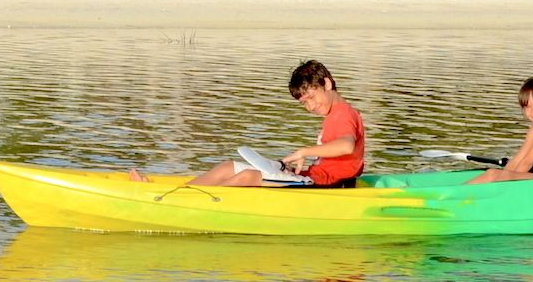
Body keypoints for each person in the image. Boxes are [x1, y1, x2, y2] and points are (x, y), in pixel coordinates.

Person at [139, 59, 366, 188]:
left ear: (326, 84)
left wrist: (304, 151)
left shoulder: (343, 113)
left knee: (248, 177)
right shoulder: (334, 114)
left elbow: (346, 146)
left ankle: (184, 202)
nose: (310, 106)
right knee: (229, 166)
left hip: (327, 185)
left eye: (312, 97)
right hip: (311, 176)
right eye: (304, 103)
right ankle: (181, 194)